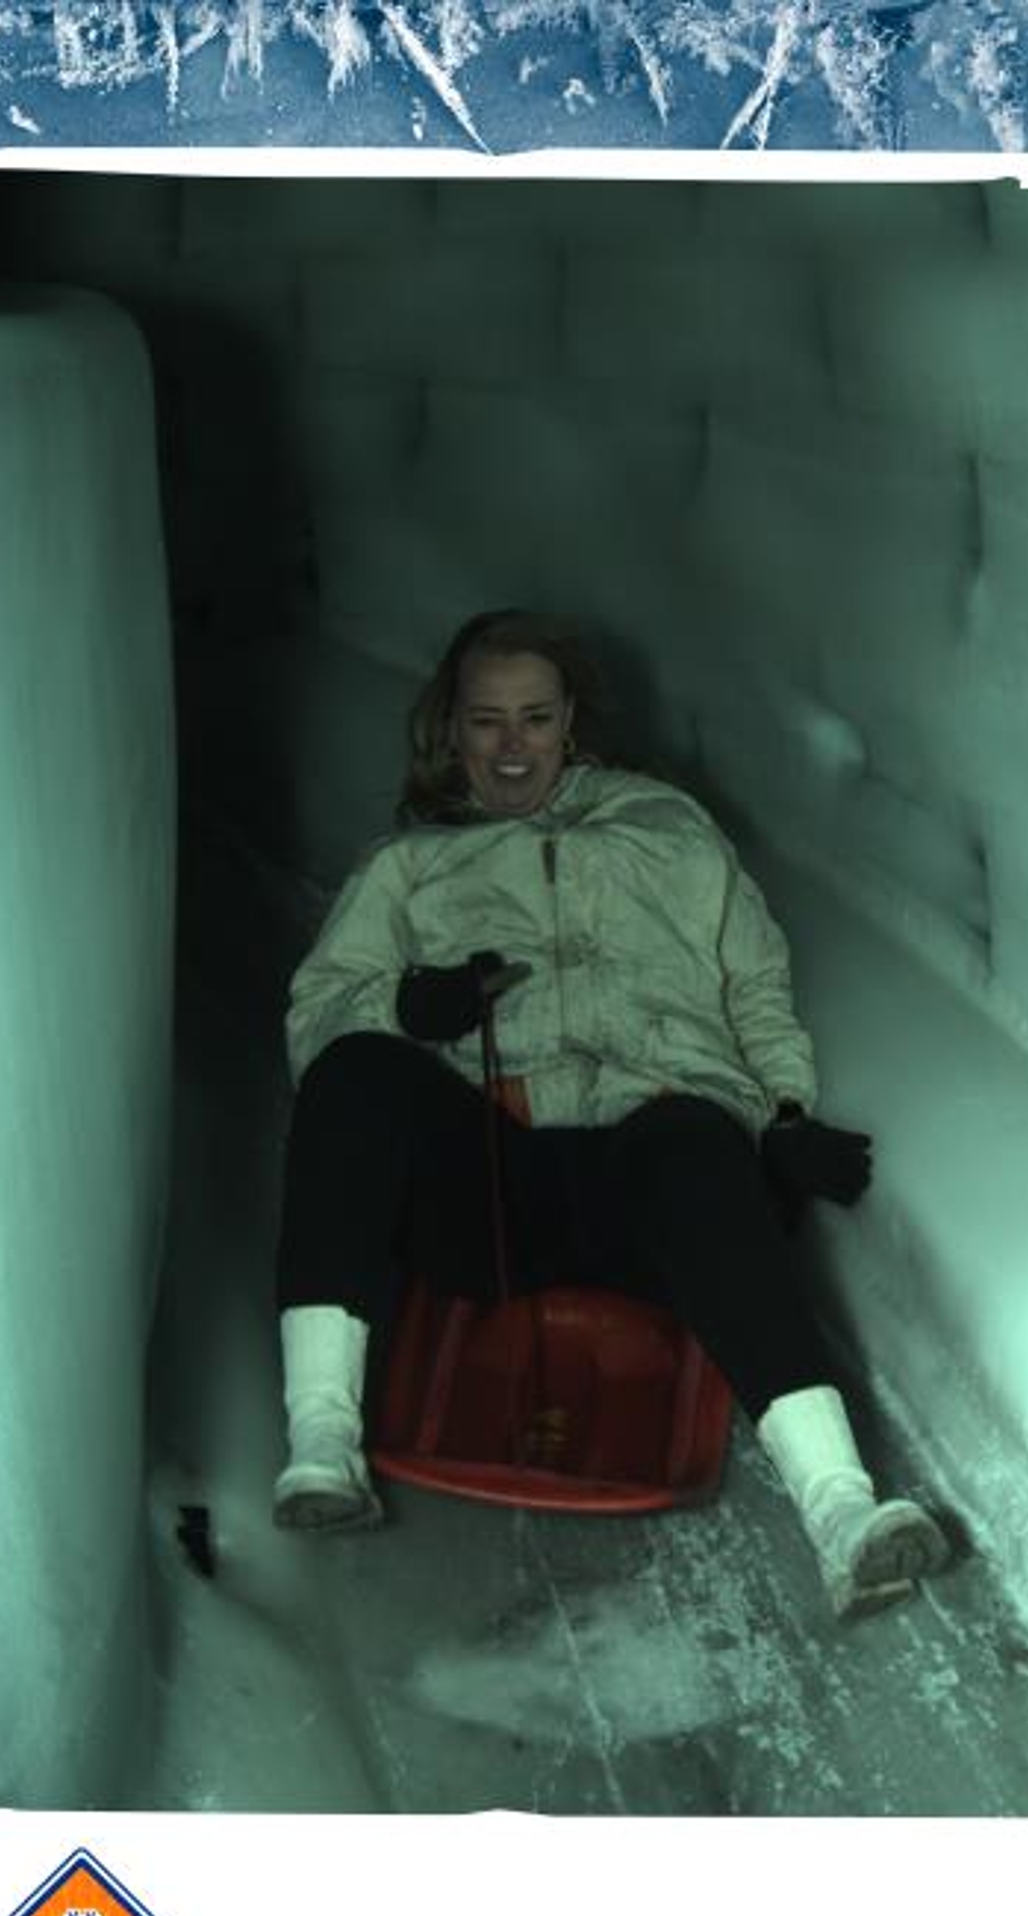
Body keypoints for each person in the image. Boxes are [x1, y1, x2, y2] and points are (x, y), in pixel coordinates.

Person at [272, 609, 946, 1618]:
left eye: (534, 718)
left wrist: (783, 1118)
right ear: (449, 726)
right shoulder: (408, 867)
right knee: (352, 1074)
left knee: (693, 1140)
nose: (511, 746)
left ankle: (843, 1514)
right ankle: (322, 1441)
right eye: (486, 720)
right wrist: (407, 1008)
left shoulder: (670, 833)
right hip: (489, 1185)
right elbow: (319, 1014)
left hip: (652, 1173)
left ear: (571, 722)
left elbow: (752, 987)